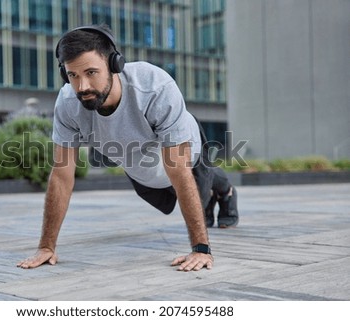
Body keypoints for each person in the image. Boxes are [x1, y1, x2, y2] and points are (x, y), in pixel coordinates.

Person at [17, 24, 238, 272]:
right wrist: (46, 246)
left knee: (199, 180)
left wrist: (201, 249)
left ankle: (226, 193)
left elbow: (179, 170)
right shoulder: (68, 103)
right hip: (141, 165)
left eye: (91, 72)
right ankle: (213, 193)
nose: (82, 86)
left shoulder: (154, 87)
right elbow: (61, 176)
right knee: (164, 184)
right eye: (73, 75)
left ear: (115, 65)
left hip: (185, 151)